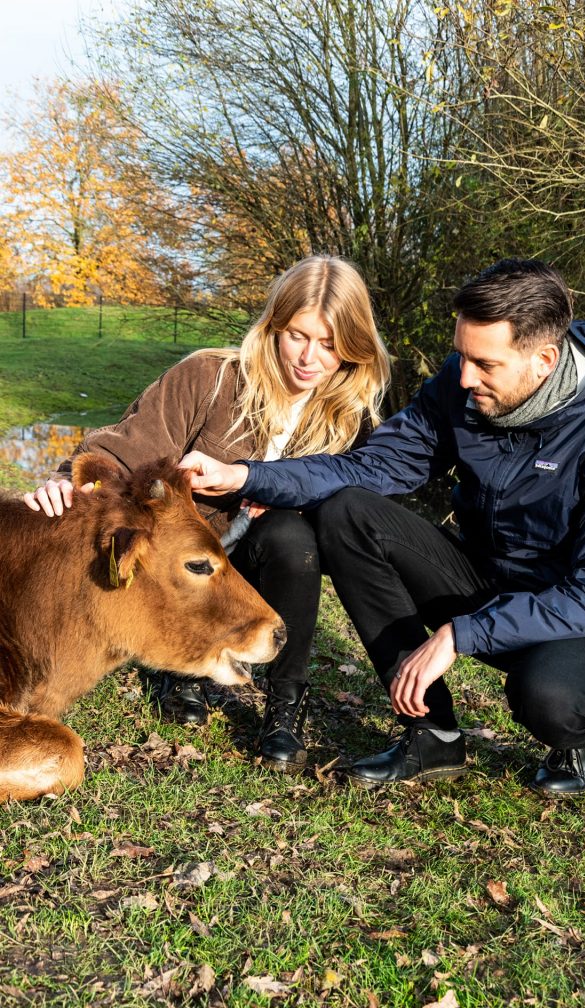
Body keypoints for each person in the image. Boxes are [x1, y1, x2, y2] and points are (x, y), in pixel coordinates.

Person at [177, 259, 585, 797]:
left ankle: (582, 735)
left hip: (584, 611)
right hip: (486, 576)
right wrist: (246, 475)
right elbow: (366, 468)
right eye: (461, 354)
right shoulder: (460, 387)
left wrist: (462, 633)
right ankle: (433, 734)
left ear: (543, 360)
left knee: (548, 698)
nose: (464, 377)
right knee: (347, 510)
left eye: (484, 364)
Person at [23, 255, 391, 774]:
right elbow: (131, 448)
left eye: (330, 345)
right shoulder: (209, 378)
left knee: (291, 538)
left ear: (353, 347)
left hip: (277, 556)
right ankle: (187, 670)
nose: (309, 358)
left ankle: (285, 704)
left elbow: (358, 499)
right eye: (297, 336)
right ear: (272, 328)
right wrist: (68, 482)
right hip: (198, 551)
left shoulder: (352, 418)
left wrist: (287, 492)